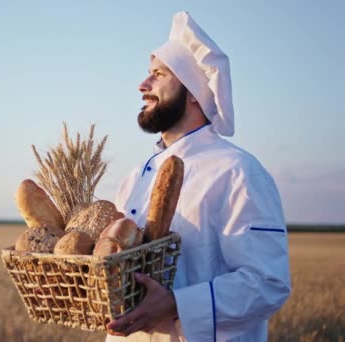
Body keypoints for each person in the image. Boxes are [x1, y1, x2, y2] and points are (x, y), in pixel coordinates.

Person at [106, 12, 291, 342]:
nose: (142, 85)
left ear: (193, 91)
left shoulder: (238, 171)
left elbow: (268, 282)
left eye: (158, 75)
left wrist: (178, 305)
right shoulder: (136, 176)